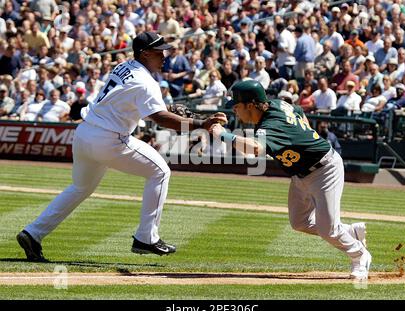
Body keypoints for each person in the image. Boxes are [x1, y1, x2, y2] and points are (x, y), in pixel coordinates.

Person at [17, 32, 227, 262]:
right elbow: (160, 118)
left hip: (85, 133)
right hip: (109, 139)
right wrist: (201, 124)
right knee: (160, 171)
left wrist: (170, 112)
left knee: (79, 188)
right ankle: (146, 237)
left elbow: (136, 101)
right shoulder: (147, 82)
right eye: (159, 52)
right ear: (145, 53)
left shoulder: (124, 66)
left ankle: (33, 233)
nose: (164, 56)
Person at [210, 80, 371, 280]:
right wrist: (303, 136)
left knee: (327, 230)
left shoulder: (271, 125)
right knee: (299, 222)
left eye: (236, 106)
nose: (235, 111)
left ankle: (360, 254)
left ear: (250, 105)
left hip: (324, 169)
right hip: (300, 173)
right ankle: (349, 230)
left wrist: (224, 135)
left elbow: (256, 149)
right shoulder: (276, 104)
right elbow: (297, 110)